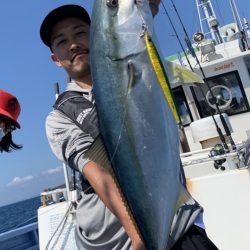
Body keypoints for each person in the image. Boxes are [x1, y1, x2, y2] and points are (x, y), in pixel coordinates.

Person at [40, 3, 218, 250]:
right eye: (61, 41)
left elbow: (136, 15)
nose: (72, 44)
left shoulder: (145, 60)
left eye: (80, 33)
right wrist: (139, 237)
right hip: (114, 244)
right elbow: (97, 172)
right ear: (56, 59)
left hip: (176, 225)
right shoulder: (59, 117)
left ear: (96, 35)